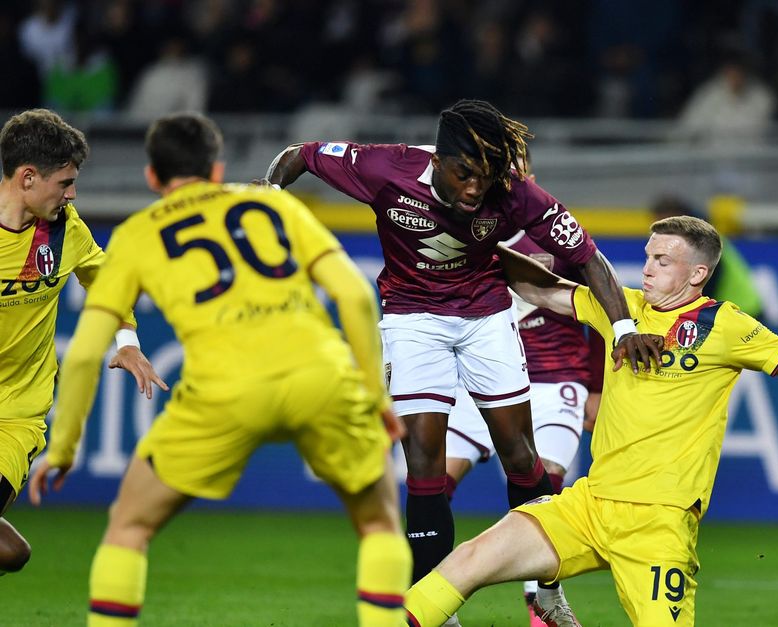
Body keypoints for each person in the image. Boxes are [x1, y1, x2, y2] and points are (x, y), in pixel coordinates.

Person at [402, 215, 778, 626]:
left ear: (698, 274)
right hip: (589, 505)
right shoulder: (620, 310)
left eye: (661, 260)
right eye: (647, 256)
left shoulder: (728, 327)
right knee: (468, 561)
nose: (646, 268)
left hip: (660, 528)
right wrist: (463, 236)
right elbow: (542, 289)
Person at [260, 99, 660, 619]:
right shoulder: (386, 168)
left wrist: (624, 327)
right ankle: (435, 606)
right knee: (423, 462)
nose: (475, 189)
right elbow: (300, 156)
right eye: (464, 174)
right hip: (412, 321)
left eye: (486, 178)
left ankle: (545, 588)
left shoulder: (516, 195)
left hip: (486, 317)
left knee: (520, 454)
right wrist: (266, 201)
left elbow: (588, 257)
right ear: (438, 160)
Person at [28, 113, 411, 627]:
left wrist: (65, 446)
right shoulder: (270, 203)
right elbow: (353, 295)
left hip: (222, 393)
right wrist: (375, 397)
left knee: (129, 528)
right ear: (217, 169)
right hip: (319, 377)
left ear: (152, 178)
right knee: (379, 525)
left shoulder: (138, 235)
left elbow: (84, 352)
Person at [0, 108, 163, 575]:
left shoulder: (62, 227)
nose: (72, 194)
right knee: (11, 553)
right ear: (28, 177)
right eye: (64, 183)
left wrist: (127, 340)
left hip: (14, 416)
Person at [443, 232, 602, 625]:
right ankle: (435, 597)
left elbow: (601, 304)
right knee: (431, 484)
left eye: (516, 164)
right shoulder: (453, 231)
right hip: (481, 378)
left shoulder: (559, 236)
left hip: (555, 377)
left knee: (545, 485)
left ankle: (542, 603)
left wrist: (597, 386)